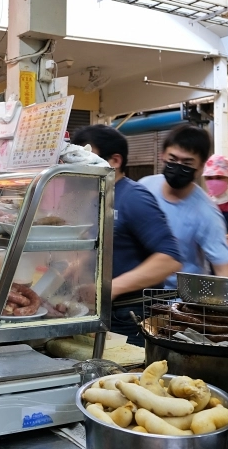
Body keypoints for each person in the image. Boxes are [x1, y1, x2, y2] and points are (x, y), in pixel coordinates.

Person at [72, 125, 182, 346]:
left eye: (86, 158)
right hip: (101, 312)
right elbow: (106, 244)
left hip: (130, 317)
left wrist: (109, 289)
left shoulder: (134, 197)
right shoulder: (97, 195)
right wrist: (75, 267)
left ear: (114, 161)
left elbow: (170, 259)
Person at [139, 124, 228, 288]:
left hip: (177, 301)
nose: (178, 167)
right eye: (173, 159)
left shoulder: (207, 213)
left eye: (187, 163)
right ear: (162, 155)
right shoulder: (144, 187)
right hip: (136, 290)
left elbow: (224, 270)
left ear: (200, 166)